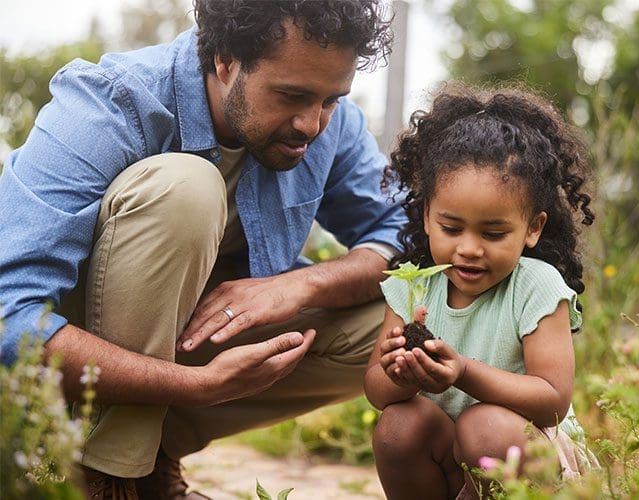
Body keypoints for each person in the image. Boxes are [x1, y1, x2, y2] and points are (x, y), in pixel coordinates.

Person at [0, 1, 405, 498]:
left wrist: (301, 284)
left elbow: (406, 233)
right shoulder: (109, 103)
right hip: (66, 369)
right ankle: (105, 471)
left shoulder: (328, 125)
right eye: (291, 96)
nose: (312, 125)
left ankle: (153, 455)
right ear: (225, 60)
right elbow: (10, 318)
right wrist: (192, 385)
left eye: (330, 100)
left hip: (188, 339)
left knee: (392, 323)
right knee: (186, 187)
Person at [363, 83, 599, 499]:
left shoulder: (536, 286)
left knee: (484, 425)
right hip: (455, 467)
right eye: (451, 228)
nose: (469, 249)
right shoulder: (414, 285)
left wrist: (464, 372)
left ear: (532, 228)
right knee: (398, 425)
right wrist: (398, 374)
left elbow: (553, 399)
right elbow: (376, 392)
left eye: (493, 233)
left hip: (531, 465)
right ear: (427, 215)